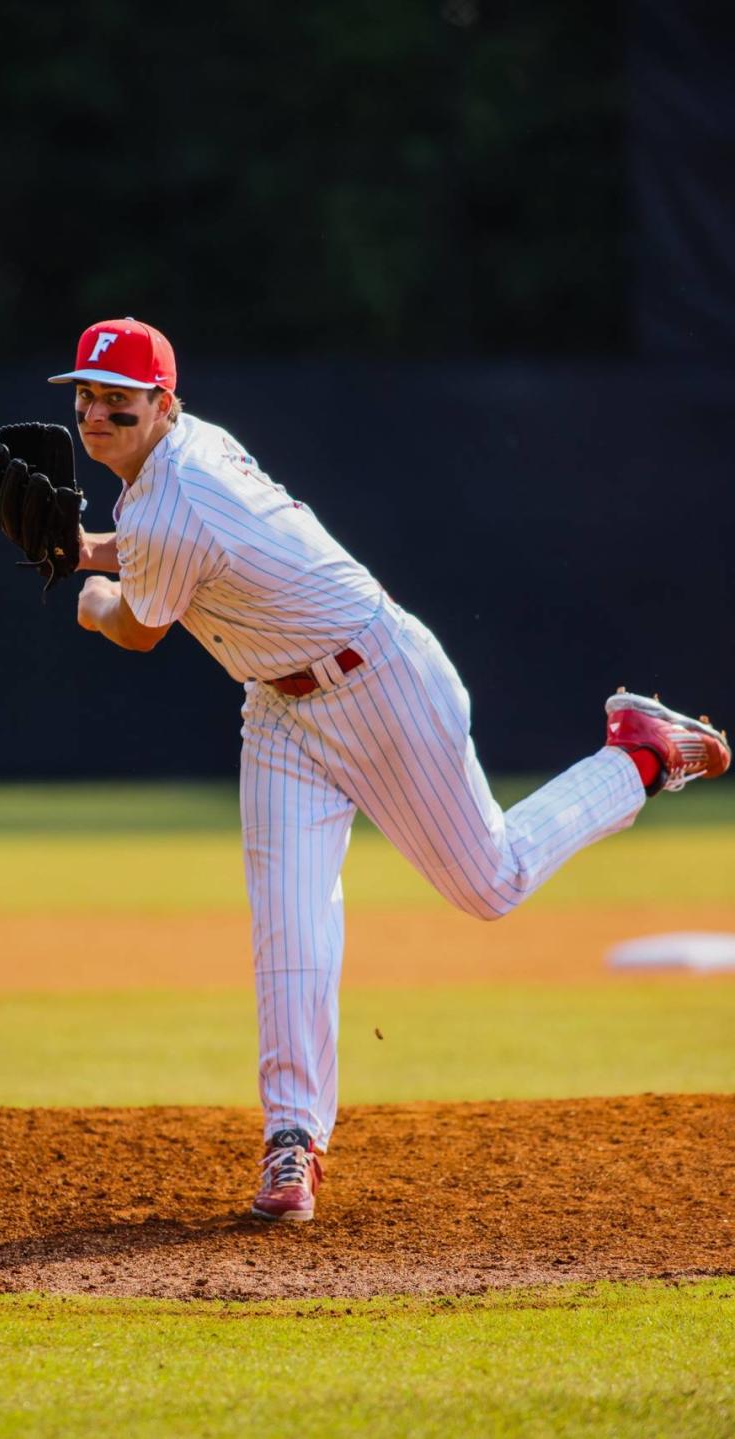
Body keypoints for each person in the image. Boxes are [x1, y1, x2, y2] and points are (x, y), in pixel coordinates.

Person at [48, 316, 731, 1223]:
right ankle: (293, 1143)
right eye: (85, 397)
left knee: (493, 881)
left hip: (381, 683)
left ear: (161, 405)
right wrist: (90, 545)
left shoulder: (176, 501)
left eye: (118, 402)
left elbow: (136, 622)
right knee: (288, 926)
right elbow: (153, 547)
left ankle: (638, 754)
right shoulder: (176, 462)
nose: (97, 414)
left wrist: (90, 593)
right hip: (282, 710)